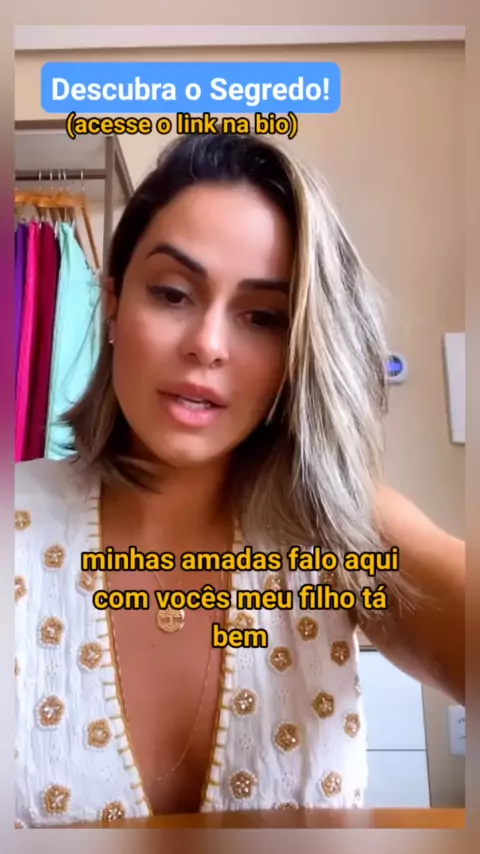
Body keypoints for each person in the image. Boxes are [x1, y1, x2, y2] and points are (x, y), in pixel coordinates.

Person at [14, 133, 465, 828]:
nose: (208, 344)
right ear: (112, 304)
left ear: (297, 349)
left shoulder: (341, 531)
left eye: (262, 316)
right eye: (172, 293)